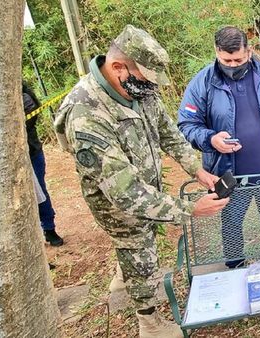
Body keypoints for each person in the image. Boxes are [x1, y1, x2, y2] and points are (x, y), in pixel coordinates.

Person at [54, 25, 229, 338]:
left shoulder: (138, 90)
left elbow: (169, 134)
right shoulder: (85, 114)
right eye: (146, 80)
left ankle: (126, 269)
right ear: (118, 68)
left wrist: (197, 170)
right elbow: (126, 194)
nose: (152, 89)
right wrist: (190, 209)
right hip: (120, 206)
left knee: (139, 247)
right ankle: (149, 322)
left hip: (148, 192)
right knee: (140, 253)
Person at [177, 26, 260, 268]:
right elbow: (186, 124)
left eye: (239, 59)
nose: (233, 64)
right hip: (228, 174)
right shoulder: (202, 83)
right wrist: (211, 139)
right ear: (217, 52)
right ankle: (234, 267)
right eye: (227, 60)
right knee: (232, 222)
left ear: (249, 51)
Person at [23, 83, 64, 246]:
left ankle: (49, 228)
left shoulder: (24, 96)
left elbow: (28, 118)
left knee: (39, 192)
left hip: (31, 153)